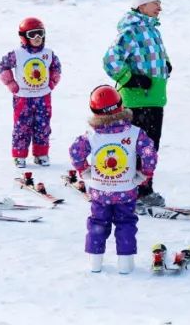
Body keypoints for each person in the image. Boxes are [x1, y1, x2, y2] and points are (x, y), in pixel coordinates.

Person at [69, 85, 157, 274]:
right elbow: (150, 153)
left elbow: (75, 151)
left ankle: (95, 262)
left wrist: (84, 171)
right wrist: (143, 175)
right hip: (126, 190)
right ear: (120, 105)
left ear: (94, 110)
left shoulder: (92, 135)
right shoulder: (134, 133)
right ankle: (125, 264)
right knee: (126, 223)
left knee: (98, 223)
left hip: (100, 191)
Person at [102, 0, 171, 208]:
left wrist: (166, 64)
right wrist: (130, 79)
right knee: (136, 148)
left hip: (154, 99)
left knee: (151, 149)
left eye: (159, 3)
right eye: (155, 3)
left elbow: (155, 54)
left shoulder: (153, 30)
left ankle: (145, 189)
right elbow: (110, 59)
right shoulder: (131, 31)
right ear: (141, 5)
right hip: (136, 102)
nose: (160, 8)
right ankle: (131, 191)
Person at [0, 17, 62, 168]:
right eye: (33, 34)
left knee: (42, 126)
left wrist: (52, 82)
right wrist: (12, 84)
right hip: (23, 98)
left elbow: (56, 68)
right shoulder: (17, 54)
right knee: (22, 127)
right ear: (24, 36)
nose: (37, 38)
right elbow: (3, 66)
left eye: (40, 33)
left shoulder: (48, 54)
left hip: (43, 97)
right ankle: (19, 156)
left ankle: (41, 154)